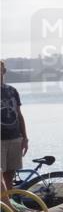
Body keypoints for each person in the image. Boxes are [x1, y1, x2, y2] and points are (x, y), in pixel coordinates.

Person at [1, 60, 29, 194]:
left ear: (3, 71)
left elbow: (19, 114)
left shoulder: (12, 91)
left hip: (14, 138)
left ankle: (9, 208)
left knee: (9, 175)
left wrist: (25, 138)